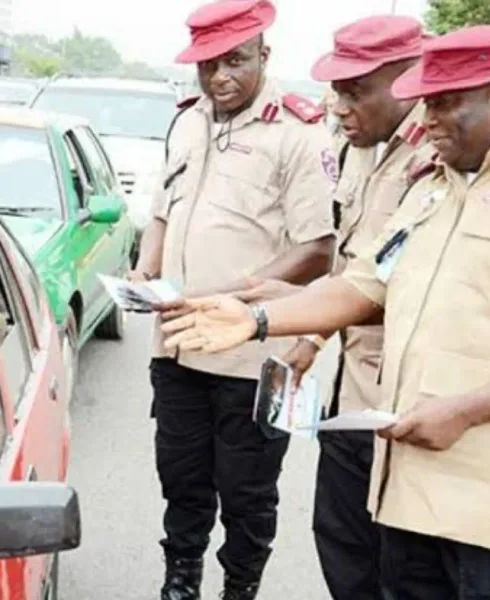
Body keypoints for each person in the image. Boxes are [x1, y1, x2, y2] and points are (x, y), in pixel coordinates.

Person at [160, 24, 490, 598]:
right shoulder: (437, 189)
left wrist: (466, 411)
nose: (426, 119)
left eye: (445, 101)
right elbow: (366, 283)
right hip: (412, 498)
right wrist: (257, 319)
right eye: (425, 100)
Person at [130, 1, 337, 597]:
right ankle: (181, 580)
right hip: (175, 349)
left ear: (264, 57)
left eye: (235, 61)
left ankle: (239, 588)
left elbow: (317, 250)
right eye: (207, 65)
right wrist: (147, 269)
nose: (219, 77)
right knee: (182, 479)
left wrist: (224, 301)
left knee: (247, 494)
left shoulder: (298, 133)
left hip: (252, 356)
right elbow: (162, 214)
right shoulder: (187, 121)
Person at [237, 16, 432, 600]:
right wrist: (310, 343)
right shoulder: (360, 152)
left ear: (407, 78)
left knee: (402, 570)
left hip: (408, 406)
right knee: (342, 545)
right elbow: (353, 268)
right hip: (351, 397)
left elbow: (412, 290)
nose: (339, 107)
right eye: (336, 90)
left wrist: (290, 308)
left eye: (354, 90)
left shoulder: (440, 157)